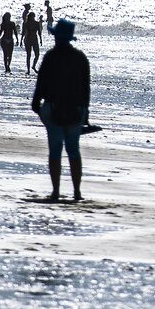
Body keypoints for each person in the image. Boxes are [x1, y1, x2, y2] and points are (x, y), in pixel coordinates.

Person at [30, 17, 91, 203]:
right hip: (75, 110)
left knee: (55, 150)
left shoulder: (51, 57)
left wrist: (36, 104)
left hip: (53, 108)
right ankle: (77, 192)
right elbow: (85, 88)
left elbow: (41, 84)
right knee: (74, 151)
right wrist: (85, 112)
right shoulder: (80, 58)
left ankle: (56, 191)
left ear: (57, 37)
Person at [22, 3, 42, 72]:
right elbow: (23, 32)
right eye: (31, 17)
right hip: (28, 40)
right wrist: (21, 40)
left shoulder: (36, 23)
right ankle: (28, 70)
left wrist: (41, 40)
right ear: (29, 17)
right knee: (28, 55)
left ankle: (33, 66)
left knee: (37, 54)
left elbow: (39, 32)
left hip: (35, 39)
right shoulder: (26, 23)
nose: (32, 18)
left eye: (33, 17)